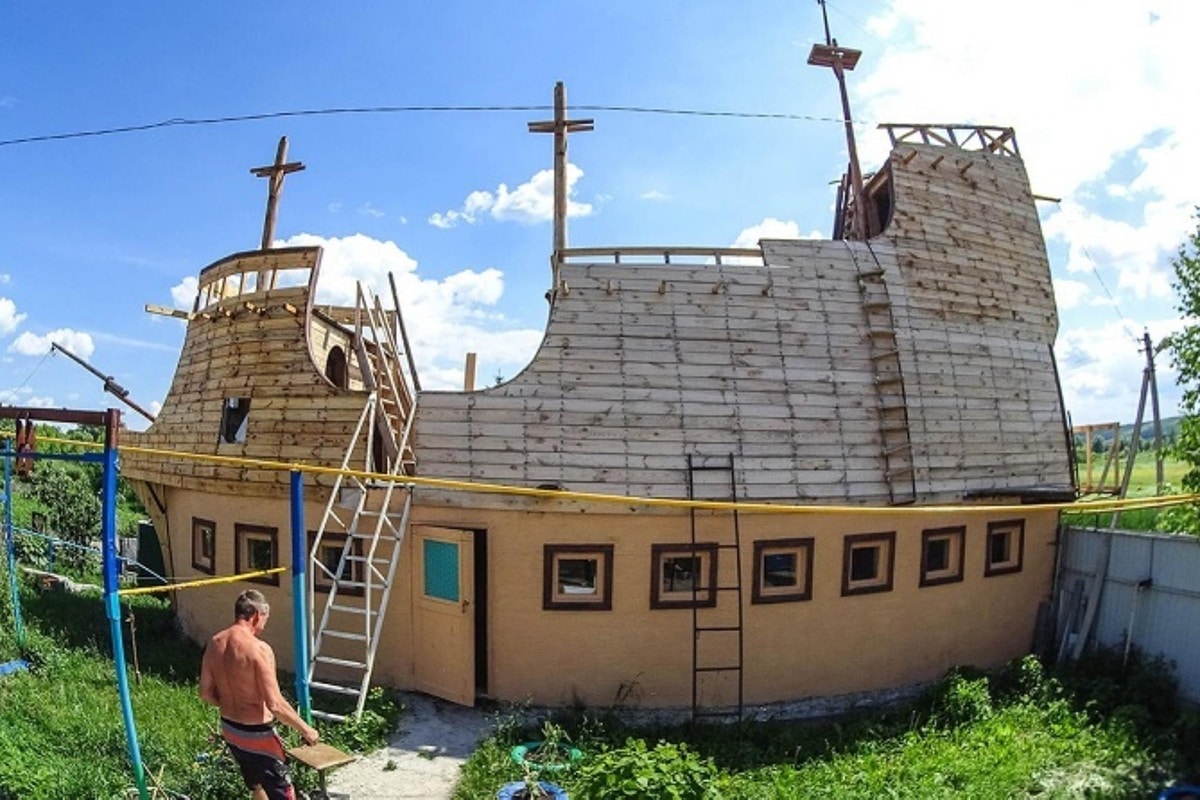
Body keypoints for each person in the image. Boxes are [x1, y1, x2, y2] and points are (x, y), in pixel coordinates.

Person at [200, 589, 319, 800]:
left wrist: (231, 703)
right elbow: (275, 703)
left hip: (231, 730)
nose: (264, 625)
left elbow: (206, 693)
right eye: (265, 618)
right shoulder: (259, 649)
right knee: (284, 793)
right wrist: (306, 729)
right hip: (259, 736)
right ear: (256, 615)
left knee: (257, 787)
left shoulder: (215, 643)